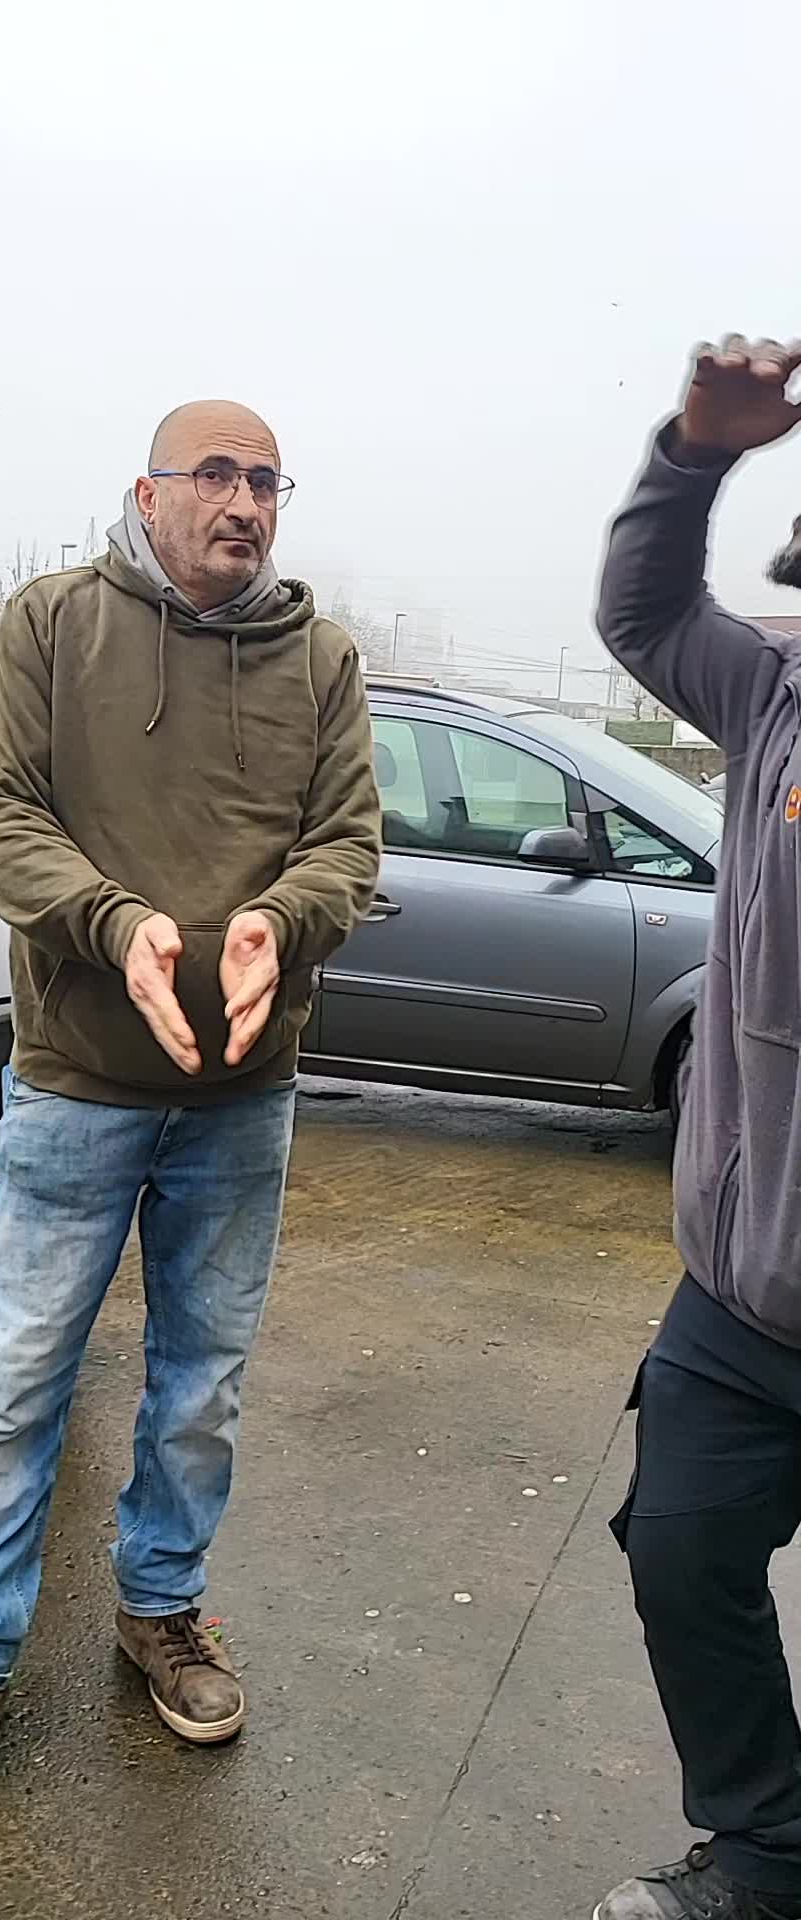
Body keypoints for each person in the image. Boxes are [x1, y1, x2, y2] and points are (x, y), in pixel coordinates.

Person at [0, 401, 382, 1844]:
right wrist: (119, 925)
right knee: (16, 1385)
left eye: (267, 480)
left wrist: (283, 920)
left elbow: (349, 841)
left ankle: (160, 1609)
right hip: (77, 1083)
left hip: (245, 1094)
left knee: (201, 1385)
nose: (245, 502)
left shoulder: (322, 656)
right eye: (214, 474)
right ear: (148, 494)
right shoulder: (55, 623)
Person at [594, 335, 801, 1920]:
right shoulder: (773, 697)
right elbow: (645, 612)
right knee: (681, 1554)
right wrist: (696, 453)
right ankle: (768, 1848)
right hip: (742, 1295)